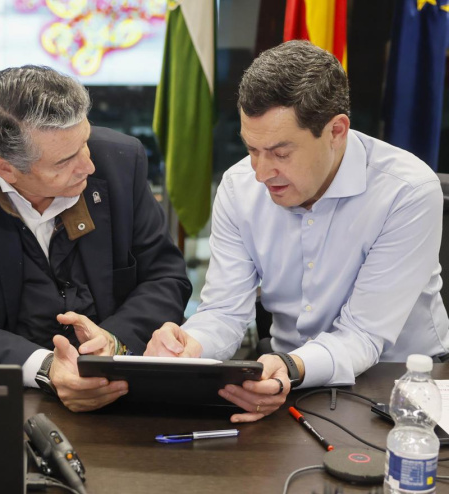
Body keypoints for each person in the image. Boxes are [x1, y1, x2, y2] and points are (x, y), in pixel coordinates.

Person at [145, 40, 449, 422]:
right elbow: (224, 311)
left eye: (280, 153)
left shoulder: (406, 191)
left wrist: (288, 366)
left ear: (336, 131)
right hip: (285, 377)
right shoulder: (240, 187)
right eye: (252, 150)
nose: (260, 172)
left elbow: (363, 335)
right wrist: (192, 345)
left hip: (401, 383)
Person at [0, 65, 191, 412]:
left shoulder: (121, 159)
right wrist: (45, 368)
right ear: (6, 169)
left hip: (123, 392)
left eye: (85, 143)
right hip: (4, 400)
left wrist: (113, 343)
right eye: (66, 160)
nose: (89, 166)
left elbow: (165, 277)